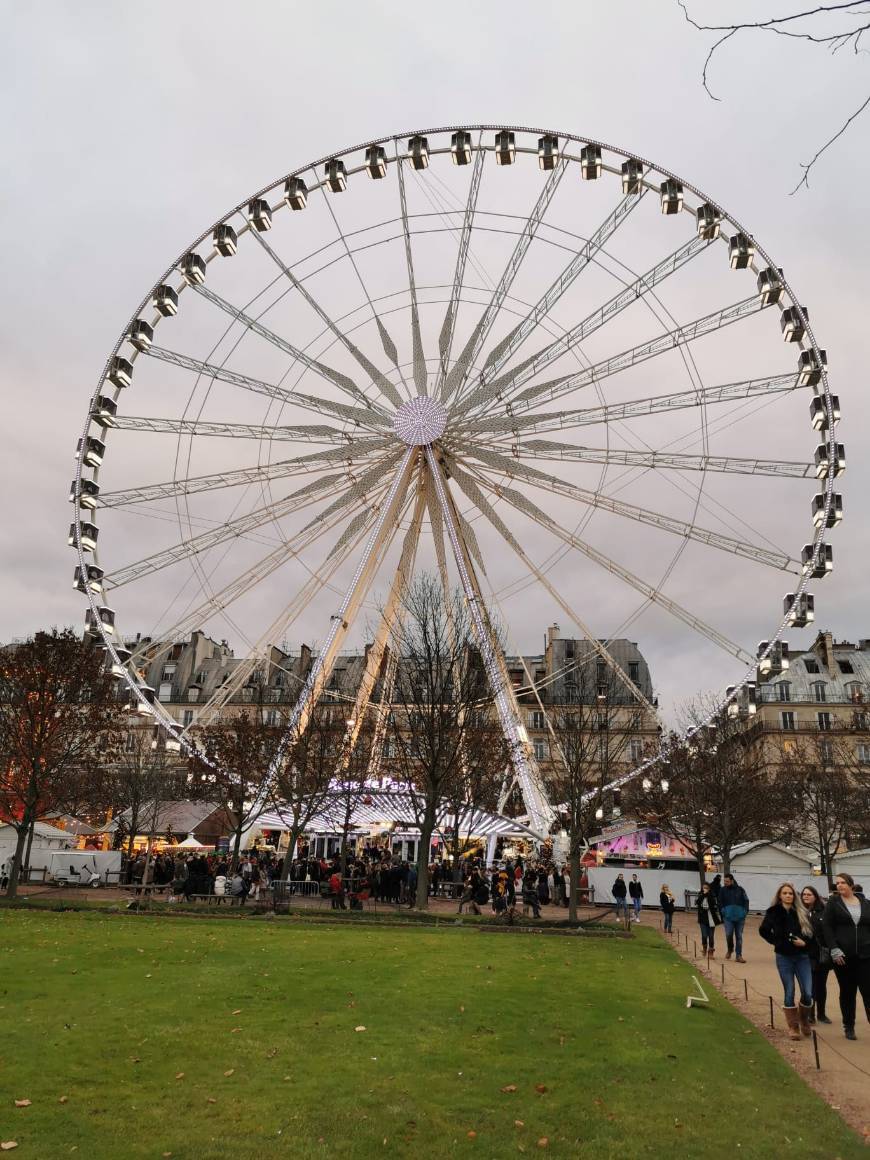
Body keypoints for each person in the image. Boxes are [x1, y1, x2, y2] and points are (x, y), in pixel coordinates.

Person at [759, 883, 814, 1040]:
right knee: (789, 991)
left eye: (791, 893)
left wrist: (804, 942)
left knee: (808, 993)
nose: (788, 895)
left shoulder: (802, 911)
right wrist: (777, 942)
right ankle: (793, 1026)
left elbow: (811, 934)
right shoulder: (773, 912)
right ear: (780, 895)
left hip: (802, 956)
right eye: (785, 893)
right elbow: (763, 931)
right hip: (784, 957)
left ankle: (804, 1019)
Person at [821, 872, 870, 1041]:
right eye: (837, 883)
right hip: (842, 956)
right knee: (848, 992)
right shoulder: (833, 903)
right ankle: (849, 1026)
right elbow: (827, 927)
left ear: (851, 885)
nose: (839, 886)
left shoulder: (865, 903)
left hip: (865, 955)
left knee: (868, 991)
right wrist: (834, 948)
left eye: (842, 883)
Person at [801, 885, 832, 1024]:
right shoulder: (800, 912)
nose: (806, 896)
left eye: (809, 894)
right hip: (806, 954)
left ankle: (821, 1013)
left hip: (821, 953)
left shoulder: (823, 911)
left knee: (821, 985)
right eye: (804, 894)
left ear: (815, 896)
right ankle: (810, 1014)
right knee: (810, 985)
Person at [719, 873, 750, 963]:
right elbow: (719, 902)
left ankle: (738, 955)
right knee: (728, 934)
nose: (725, 883)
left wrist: (745, 912)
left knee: (739, 936)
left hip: (740, 918)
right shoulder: (722, 890)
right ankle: (730, 949)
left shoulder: (740, 890)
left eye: (727, 881)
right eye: (724, 881)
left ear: (732, 881)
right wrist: (723, 911)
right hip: (728, 918)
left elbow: (746, 900)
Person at [696, 881, 721, 959]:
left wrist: (707, 894)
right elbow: (697, 902)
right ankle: (704, 948)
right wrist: (703, 895)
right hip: (703, 919)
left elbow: (713, 904)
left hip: (711, 919)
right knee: (704, 935)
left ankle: (711, 952)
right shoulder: (700, 895)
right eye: (704, 888)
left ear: (709, 889)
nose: (705, 889)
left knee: (711, 936)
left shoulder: (712, 896)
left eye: (706, 888)